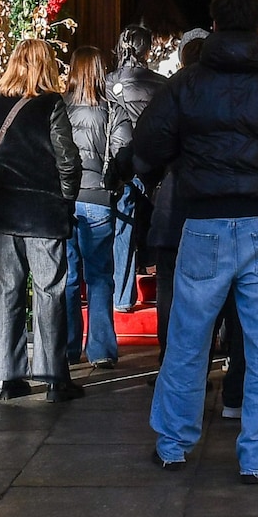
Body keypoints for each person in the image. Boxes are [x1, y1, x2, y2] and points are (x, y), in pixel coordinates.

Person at [133, 0, 258, 483]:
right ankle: (257, 455)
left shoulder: (187, 83)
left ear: (215, 25)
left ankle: (174, 443)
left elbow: (147, 146)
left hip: (203, 225)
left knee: (188, 340)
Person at [0, 38, 84, 402]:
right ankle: (54, 380)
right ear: (46, 66)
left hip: (5, 212)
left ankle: (6, 380)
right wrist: (67, 198)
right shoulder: (51, 104)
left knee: (6, 292)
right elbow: (68, 160)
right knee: (50, 292)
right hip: (43, 214)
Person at [62, 45, 120, 369]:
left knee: (69, 276)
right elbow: (123, 150)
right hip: (99, 196)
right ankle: (101, 350)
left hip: (66, 197)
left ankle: (70, 347)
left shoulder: (59, 107)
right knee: (100, 277)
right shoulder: (112, 110)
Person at [104, 24, 166, 314]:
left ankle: (122, 295)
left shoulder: (105, 83)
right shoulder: (160, 84)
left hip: (118, 163)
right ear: (147, 50)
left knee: (121, 226)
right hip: (150, 164)